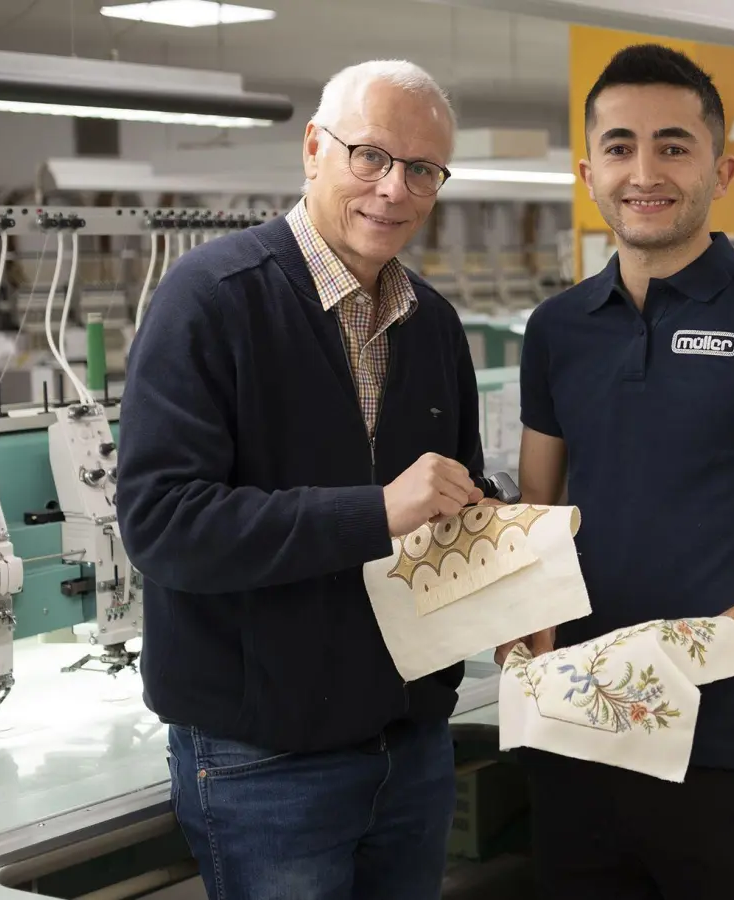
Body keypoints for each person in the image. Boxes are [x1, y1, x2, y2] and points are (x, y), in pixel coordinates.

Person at [499, 44, 734, 899]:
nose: (645, 171)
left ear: (721, 169)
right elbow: (537, 518)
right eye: (620, 146)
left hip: (728, 752)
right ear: (588, 170)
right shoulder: (557, 331)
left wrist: (700, 645)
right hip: (579, 738)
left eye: (673, 146)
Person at [116, 60, 488, 900]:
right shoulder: (210, 302)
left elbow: (451, 486)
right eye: (371, 156)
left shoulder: (432, 324)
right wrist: (376, 512)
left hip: (414, 741)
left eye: (423, 170)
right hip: (265, 760)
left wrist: (499, 539)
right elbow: (164, 524)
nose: (394, 189)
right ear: (315, 149)